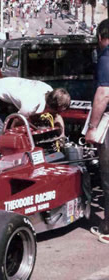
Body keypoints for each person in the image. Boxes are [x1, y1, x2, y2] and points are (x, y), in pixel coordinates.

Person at [0, 77, 71, 152]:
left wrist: (62, 134)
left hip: (3, 101)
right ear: (50, 106)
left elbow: (57, 116)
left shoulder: (49, 91)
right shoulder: (30, 104)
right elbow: (15, 123)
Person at [85, 19, 109, 243]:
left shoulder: (106, 57)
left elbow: (104, 94)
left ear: (101, 37)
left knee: (108, 175)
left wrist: (92, 127)